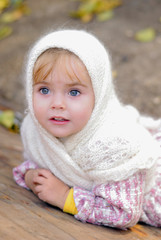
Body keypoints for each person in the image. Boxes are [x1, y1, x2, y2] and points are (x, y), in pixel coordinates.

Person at [13, 29, 161, 229]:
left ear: (99, 96)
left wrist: (66, 197)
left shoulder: (114, 145)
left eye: (74, 92)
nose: (57, 104)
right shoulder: (35, 128)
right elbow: (37, 162)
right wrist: (31, 176)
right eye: (44, 90)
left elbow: (123, 213)